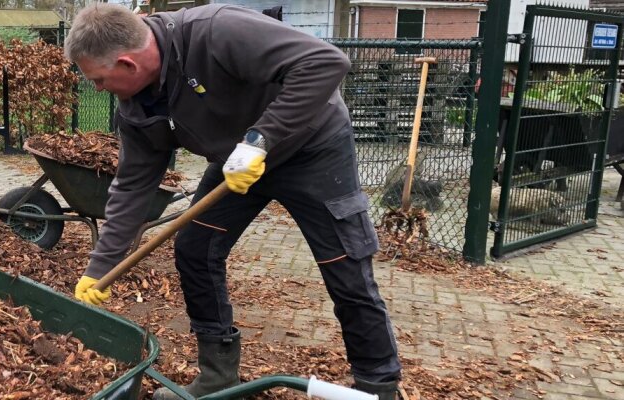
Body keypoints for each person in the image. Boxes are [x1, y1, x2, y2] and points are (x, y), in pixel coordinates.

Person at [64, 4, 402, 399]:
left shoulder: (217, 31)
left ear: (127, 62)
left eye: (100, 80)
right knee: (195, 248)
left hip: (311, 149)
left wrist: (260, 140)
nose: (99, 89)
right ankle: (217, 374)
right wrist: (101, 264)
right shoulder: (137, 106)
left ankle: (378, 388)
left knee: (344, 266)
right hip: (236, 166)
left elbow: (325, 63)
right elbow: (133, 184)